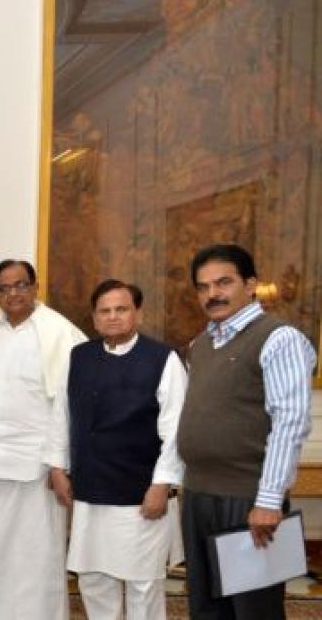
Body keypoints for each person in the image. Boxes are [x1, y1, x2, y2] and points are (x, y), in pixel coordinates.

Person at [177, 244, 316, 620]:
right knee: (207, 609)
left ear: (251, 285)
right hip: (198, 495)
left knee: (253, 611)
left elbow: (290, 421)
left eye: (223, 282)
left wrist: (269, 501)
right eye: (203, 287)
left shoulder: (279, 338)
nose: (212, 294)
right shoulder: (200, 345)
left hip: (247, 499)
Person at [0, 259, 85, 620]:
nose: (13, 293)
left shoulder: (60, 332)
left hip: (38, 465)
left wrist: (59, 462)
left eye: (20, 285)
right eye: (4, 288)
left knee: (37, 555)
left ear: (35, 287)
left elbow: (69, 406)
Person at [62, 280, 187, 620]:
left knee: (142, 582)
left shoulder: (163, 359)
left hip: (141, 494)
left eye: (121, 309)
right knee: (92, 578)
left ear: (138, 314)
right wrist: (58, 467)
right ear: (94, 318)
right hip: (90, 492)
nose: (113, 316)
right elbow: (62, 415)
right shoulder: (80, 357)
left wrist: (162, 485)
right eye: (105, 311)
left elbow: (176, 430)